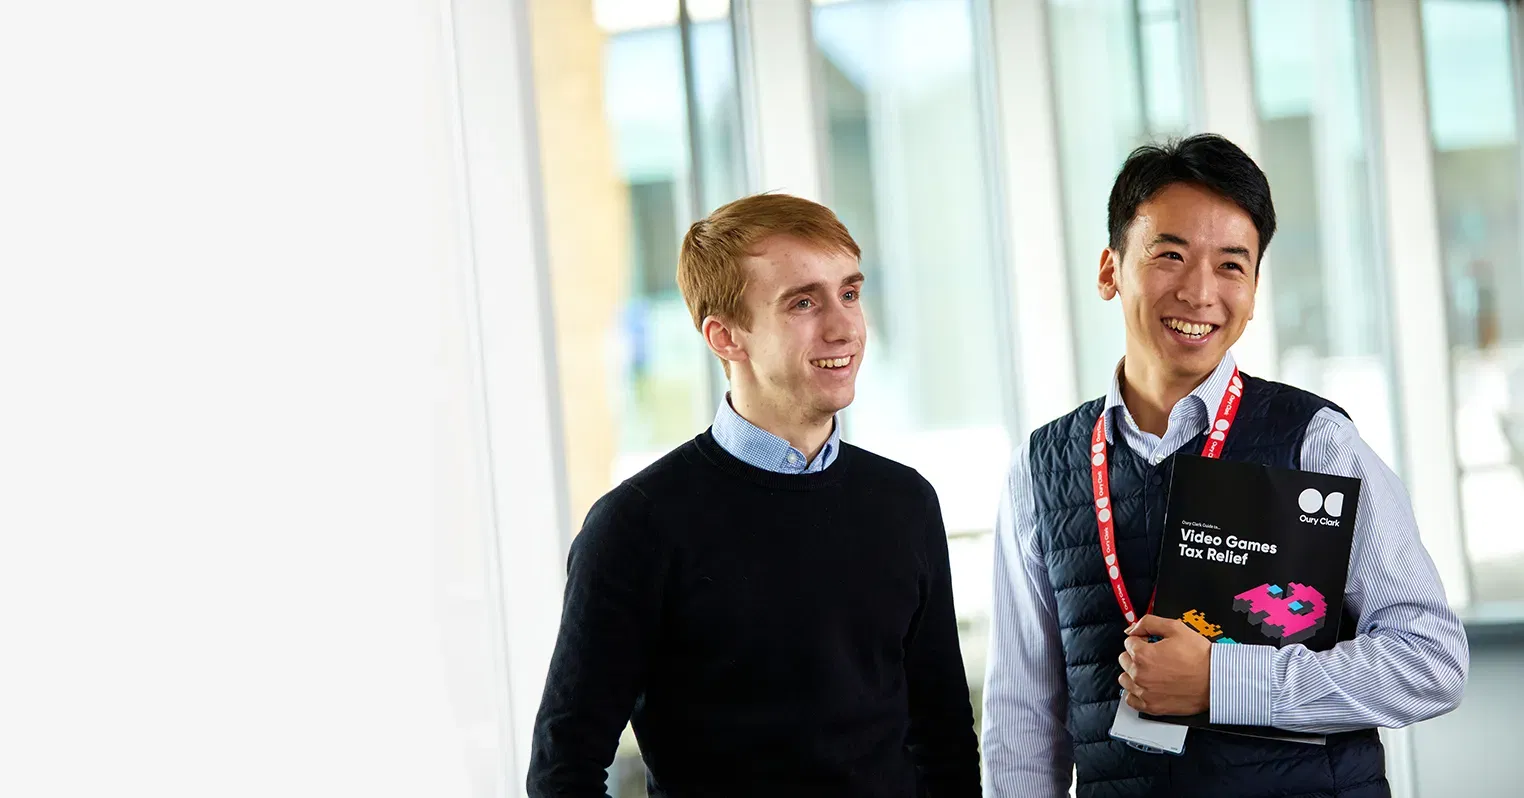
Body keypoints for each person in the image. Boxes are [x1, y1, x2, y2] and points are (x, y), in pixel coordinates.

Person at [981, 134, 1469, 798]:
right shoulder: (1043, 470)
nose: (1200, 292)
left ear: (1255, 288)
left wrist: (1223, 682)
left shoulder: (1315, 443)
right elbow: (1023, 721)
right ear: (1109, 270)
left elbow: (1431, 660)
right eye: (1170, 255)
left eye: (1231, 266)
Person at [527, 193, 981, 797]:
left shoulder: (905, 503)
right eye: (802, 302)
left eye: (849, 292)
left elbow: (945, 741)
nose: (844, 325)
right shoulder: (637, 527)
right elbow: (564, 773)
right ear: (725, 337)